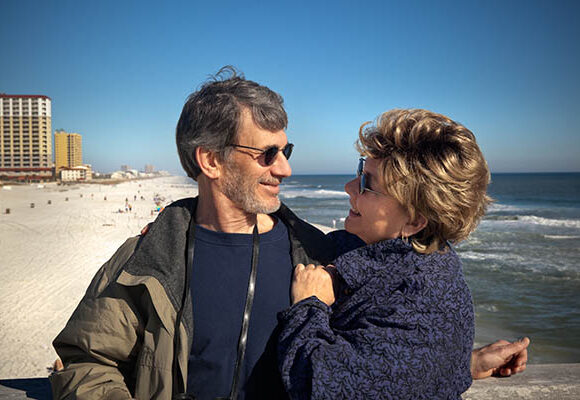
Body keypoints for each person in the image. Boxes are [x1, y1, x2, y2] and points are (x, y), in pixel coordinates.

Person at [50, 70, 528, 400]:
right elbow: (84, 361)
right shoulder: (150, 257)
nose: (286, 167)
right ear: (210, 160)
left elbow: (382, 364)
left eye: (286, 149)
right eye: (266, 154)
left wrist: (459, 364)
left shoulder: (323, 259)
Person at [277, 109, 528, 399]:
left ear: (414, 221)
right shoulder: (383, 253)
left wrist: (309, 305)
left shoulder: (424, 300)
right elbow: (397, 367)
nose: (348, 188)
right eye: (360, 172)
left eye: (366, 185)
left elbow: (316, 386)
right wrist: (461, 363)